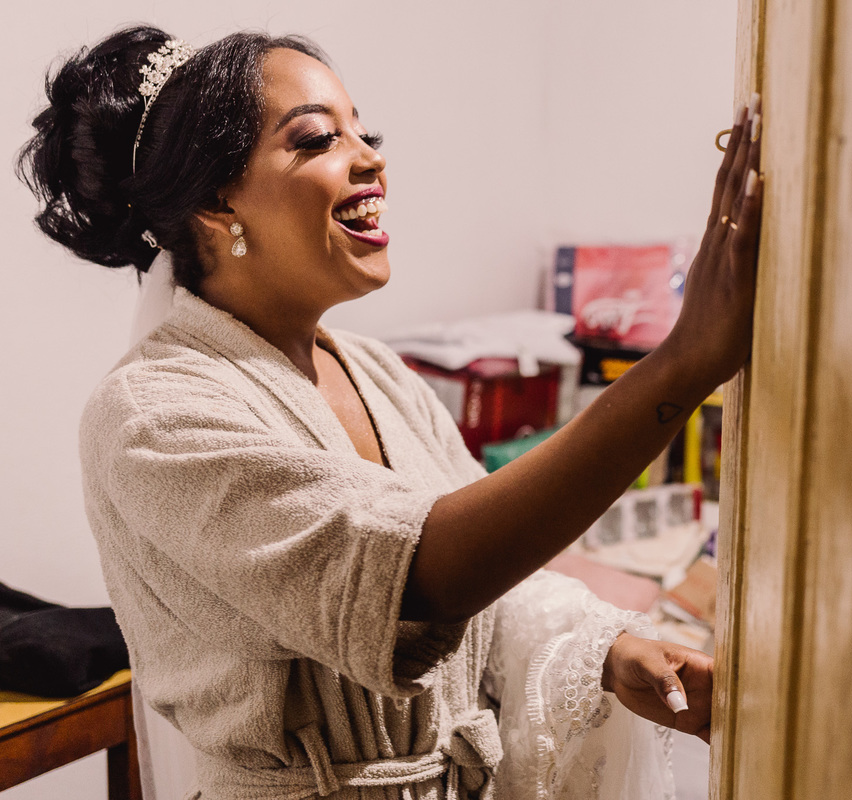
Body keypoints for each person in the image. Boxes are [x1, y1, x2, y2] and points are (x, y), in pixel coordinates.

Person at [18, 25, 762, 800]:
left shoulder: (376, 372)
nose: (371, 158)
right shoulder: (152, 413)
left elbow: (497, 591)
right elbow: (422, 583)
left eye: (363, 132)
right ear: (214, 199)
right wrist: (679, 368)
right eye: (317, 139)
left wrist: (606, 653)